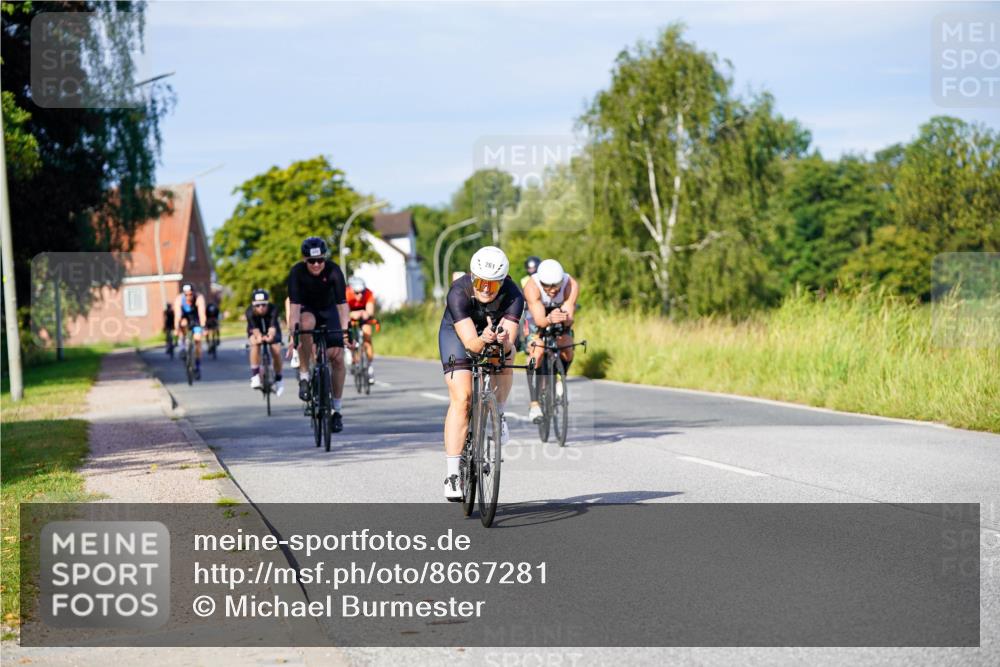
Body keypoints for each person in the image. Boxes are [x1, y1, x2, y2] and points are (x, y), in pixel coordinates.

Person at [438, 246, 523, 501]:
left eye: (493, 284)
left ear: (503, 281)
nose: (486, 288)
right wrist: (483, 339)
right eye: (481, 281)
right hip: (458, 335)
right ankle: (453, 474)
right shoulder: (458, 292)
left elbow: (508, 343)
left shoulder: (514, 295)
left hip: (493, 333)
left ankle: (499, 411)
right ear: (472, 276)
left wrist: (502, 340)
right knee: (462, 398)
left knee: (507, 355)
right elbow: (472, 345)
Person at [286, 236, 349, 433]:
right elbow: (294, 309)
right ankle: (305, 375)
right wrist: (292, 335)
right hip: (307, 310)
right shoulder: (296, 273)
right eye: (311, 261)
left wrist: (345, 332)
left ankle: (336, 411)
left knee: (338, 359)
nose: (316, 265)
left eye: (320, 260)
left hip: (329, 311)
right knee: (305, 324)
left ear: (325, 258)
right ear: (304, 260)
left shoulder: (334, 271)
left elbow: (342, 306)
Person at [523, 259, 579, 423]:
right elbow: (540, 320)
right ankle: (534, 404)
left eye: (556, 285)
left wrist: (564, 319)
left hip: (559, 313)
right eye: (547, 286)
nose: (552, 290)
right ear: (541, 282)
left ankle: (561, 378)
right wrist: (549, 319)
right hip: (536, 316)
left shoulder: (571, 284)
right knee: (537, 352)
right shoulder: (532, 286)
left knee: (567, 347)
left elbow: (569, 317)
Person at [245, 289, 283, 396]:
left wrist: (270, 337)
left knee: (276, 349)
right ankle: (255, 375)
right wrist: (259, 338)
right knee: (255, 344)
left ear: (268, 304)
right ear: (253, 306)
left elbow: (272, 328)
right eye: (257, 305)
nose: (260, 307)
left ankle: (279, 378)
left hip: (271, 328)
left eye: (263, 305)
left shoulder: (273, 309)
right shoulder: (249, 312)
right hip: (256, 329)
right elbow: (255, 330)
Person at [346, 275, 377, 385]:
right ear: (351, 290)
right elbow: (343, 312)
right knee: (347, 334)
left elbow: (370, 312)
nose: (360, 295)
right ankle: (351, 355)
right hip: (349, 316)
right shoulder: (346, 294)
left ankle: (369, 367)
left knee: (367, 334)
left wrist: (365, 314)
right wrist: (351, 314)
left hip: (363, 316)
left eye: (361, 292)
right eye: (357, 293)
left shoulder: (368, 293)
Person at [173, 283, 207, 379]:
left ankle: (197, 366)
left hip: (195, 319)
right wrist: (176, 328)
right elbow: (177, 315)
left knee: (198, 340)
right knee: (182, 324)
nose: (189, 297)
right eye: (186, 294)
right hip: (184, 318)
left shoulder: (199, 298)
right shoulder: (179, 299)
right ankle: (182, 346)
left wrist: (203, 327)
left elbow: (202, 314)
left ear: (193, 293)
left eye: (190, 294)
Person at [517, 256, 541, 352]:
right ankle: (523, 342)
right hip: (528, 306)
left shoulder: (543, 277)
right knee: (521, 319)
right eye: (530, 268)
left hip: (540, 305)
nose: (531, 270)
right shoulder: (524, 280)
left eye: (533, 268)